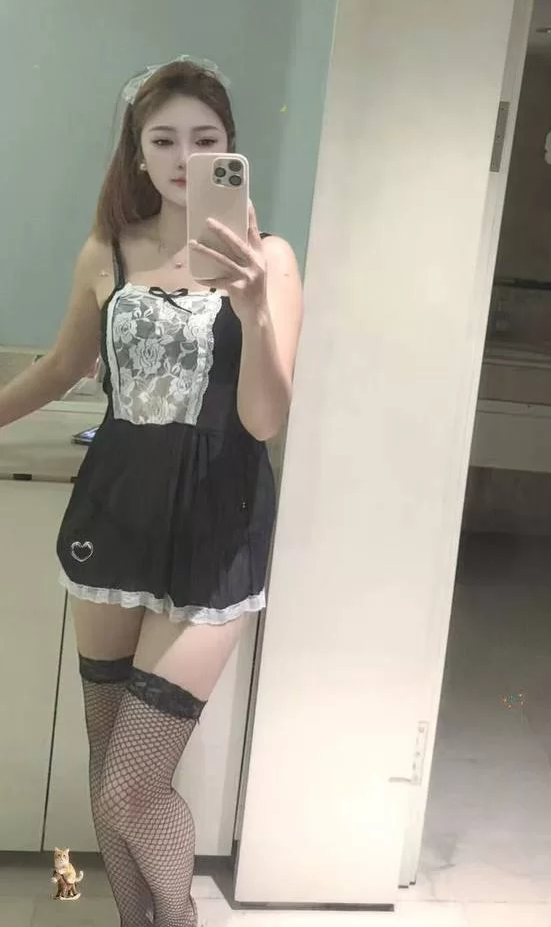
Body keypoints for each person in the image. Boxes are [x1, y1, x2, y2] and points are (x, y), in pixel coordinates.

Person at [0, 57, 303, 927]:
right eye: (163, 140)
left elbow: (264, 420)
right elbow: (62, 366)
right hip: (114, 511)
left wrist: (254, 308)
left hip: (216, 520)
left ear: (231, 149)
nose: (183, 157)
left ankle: (179, 920)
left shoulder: (270, 259)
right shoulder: (108, 250)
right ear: (137, 153)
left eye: (204, 140)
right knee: (107, 761)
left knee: (133, 786)